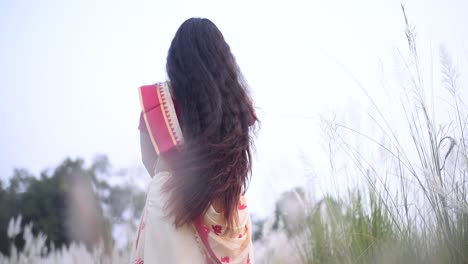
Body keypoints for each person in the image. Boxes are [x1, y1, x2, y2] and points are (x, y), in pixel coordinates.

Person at [130, 18, 258, 264]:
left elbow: (149, 160)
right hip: (228, 212)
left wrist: (176, 186)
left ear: (176, 60)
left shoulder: (158, 103)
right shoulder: (237, 108)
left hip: (171, 210)